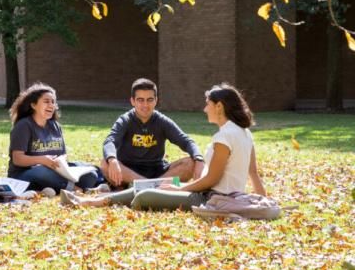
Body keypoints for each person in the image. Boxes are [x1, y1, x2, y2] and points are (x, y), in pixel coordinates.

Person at [60, 83, 268, 210]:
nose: (205, 109)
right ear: (133, 101)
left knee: (144, 196)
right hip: (213, 193)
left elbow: (211, 180)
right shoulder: (244, 132)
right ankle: (93, 201)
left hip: (211, 198)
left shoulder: (224, 137)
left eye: (208, 104)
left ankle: (93, 201)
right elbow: (254, 174)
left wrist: (182, 185)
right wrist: (264, 201)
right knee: (124, 174)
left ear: (219, 106)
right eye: (140, 100)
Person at [101, 78, 205, 189]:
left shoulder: (162, 121)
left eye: (149, 100)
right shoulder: (125, 120)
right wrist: (112, 160)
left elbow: (186, 141)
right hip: (129, 172)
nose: (145, 105)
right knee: (105, 163)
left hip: (158, 172)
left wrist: (199, 158)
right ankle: (151, 187)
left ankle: (144, 187)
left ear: (156, 100)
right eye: (140, 100)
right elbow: (110, 141)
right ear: (133, 101)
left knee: (190, 163)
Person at [7, 82, 99, 195]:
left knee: (90, 172)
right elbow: (18, 159)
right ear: (33, 105)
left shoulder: (55, 126)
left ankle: (48, 190)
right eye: (46, 101)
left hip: (55, 171)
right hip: (24, 174)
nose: (51, 105)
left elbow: (63, 154)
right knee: (42, 172)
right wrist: (42, 160)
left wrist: (61, 162)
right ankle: (74, 189)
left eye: (53, 102)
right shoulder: (24, 126)